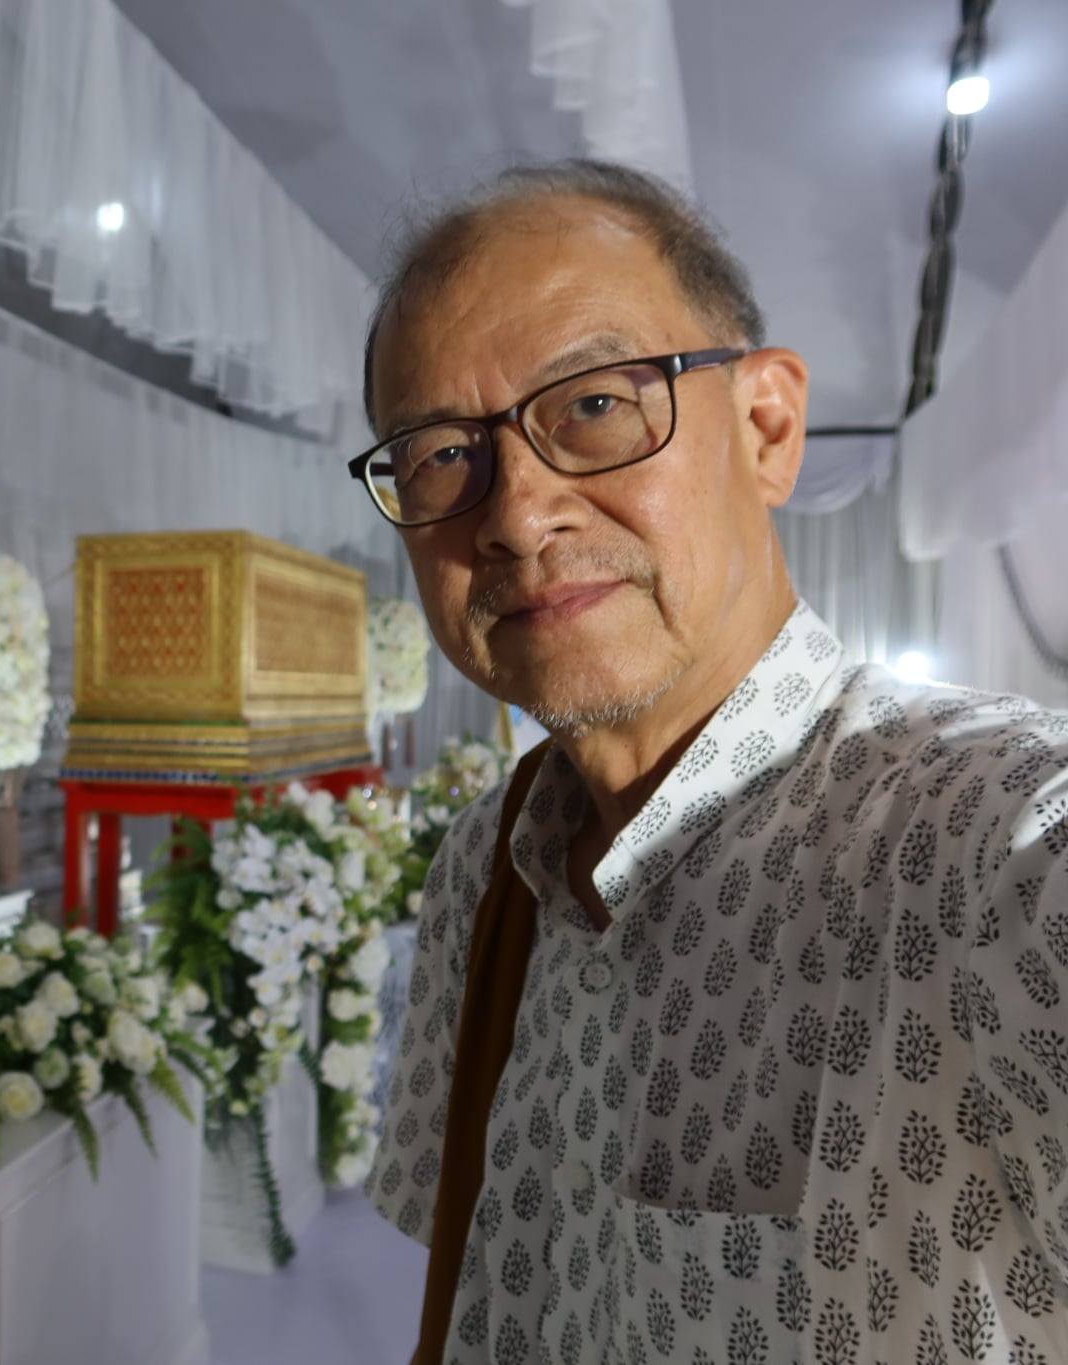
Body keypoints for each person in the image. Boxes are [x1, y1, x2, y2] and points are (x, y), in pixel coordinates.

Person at [360, 161, 1068, 1361]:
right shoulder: (482, 866)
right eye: (438, 455)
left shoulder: (981, 840)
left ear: (765, 428)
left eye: (593, 404)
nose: (516, 516)